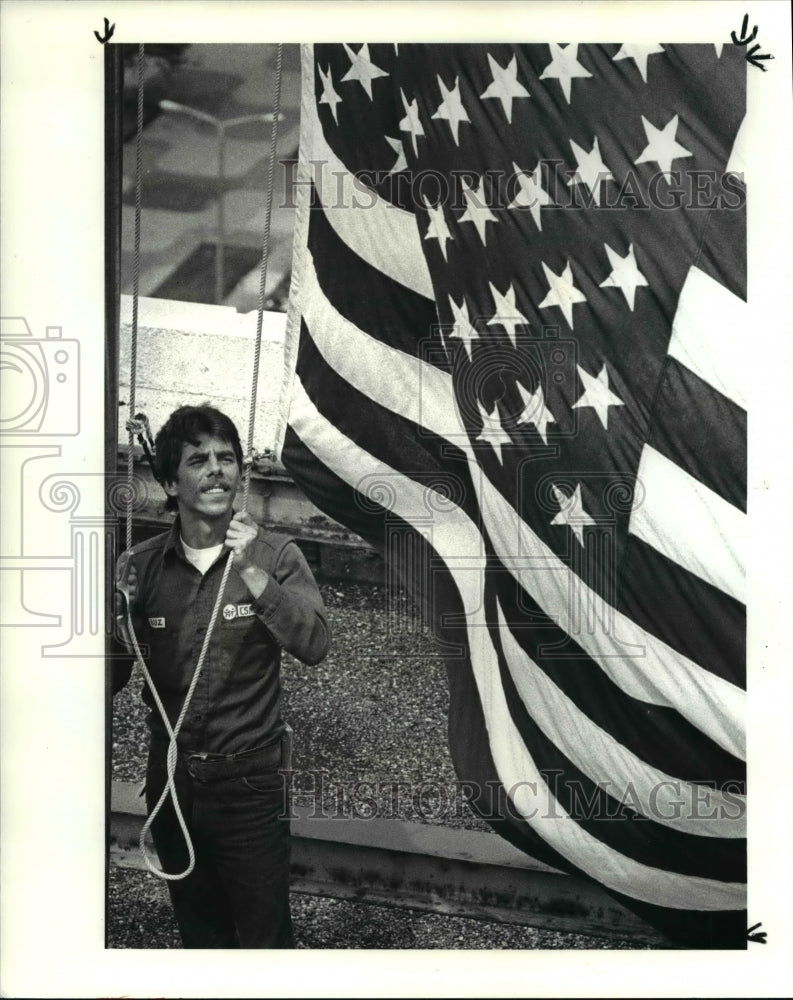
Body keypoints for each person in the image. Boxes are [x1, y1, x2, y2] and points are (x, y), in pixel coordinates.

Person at [114, 404, 329, 948]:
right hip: (173, 784)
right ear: (169, 479)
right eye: (198, 460)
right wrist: (118, 616)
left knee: (263, 944)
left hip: (250, 788)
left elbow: (316, 644)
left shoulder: (275, 555)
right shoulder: (141, 566)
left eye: (226, 458)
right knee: (200, 936)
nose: (216, 469)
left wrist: (252, 574)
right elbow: (108, 679)